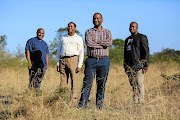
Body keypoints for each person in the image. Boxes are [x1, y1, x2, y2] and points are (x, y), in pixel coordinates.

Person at [78, 13, 112, 109]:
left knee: (101, 84)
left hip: (104, 61)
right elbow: (89, 44)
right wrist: (102, 44)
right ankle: (82, 106)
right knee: (87, 84)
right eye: (94, 18)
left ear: (102, 19)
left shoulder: (107, 32)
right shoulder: (88, 31)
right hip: (91, 61)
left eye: (98, 18)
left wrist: (97, 43)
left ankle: (99, 107)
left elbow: (109, 42)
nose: (96, 20)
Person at [56, 22, 84, 104]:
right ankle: (61, 100)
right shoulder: (63, 37)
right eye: (69, 26)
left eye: (72, 26)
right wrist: (58, 63)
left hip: (73, 59)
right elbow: (58, 50)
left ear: (75, 28)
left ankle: (73, 101)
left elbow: (81, 52)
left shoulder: (78, 38)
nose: (70, 28)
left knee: (74, 80)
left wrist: (79, 65)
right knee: (63, 81)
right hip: (63, 60)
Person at [124, 22, 149, 104]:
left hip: (139, 65)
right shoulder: (127, 39)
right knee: (133, 85)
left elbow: (146, 51)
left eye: (133, 27)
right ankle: (135, 102)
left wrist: (146, 65)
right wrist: (125, 65)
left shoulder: (142, 37)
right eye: (130, 27)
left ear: (137, 28)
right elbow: (125, 53)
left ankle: (141, 102)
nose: (132, 28)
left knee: (139, 84)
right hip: (129, 66)